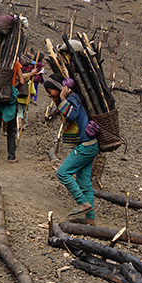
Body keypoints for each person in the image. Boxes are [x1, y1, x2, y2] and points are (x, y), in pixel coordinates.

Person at [46, 73, 99, 221]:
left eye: (49, 91)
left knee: (62, 173)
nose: (49, 95)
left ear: (59, 88)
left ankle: (83, 204)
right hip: (90, 145)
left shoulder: (72, 98)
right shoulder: (71, 98)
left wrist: (62, 98)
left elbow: (72, 115)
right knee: (84, 183)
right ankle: (90, 219)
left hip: (86, 145)